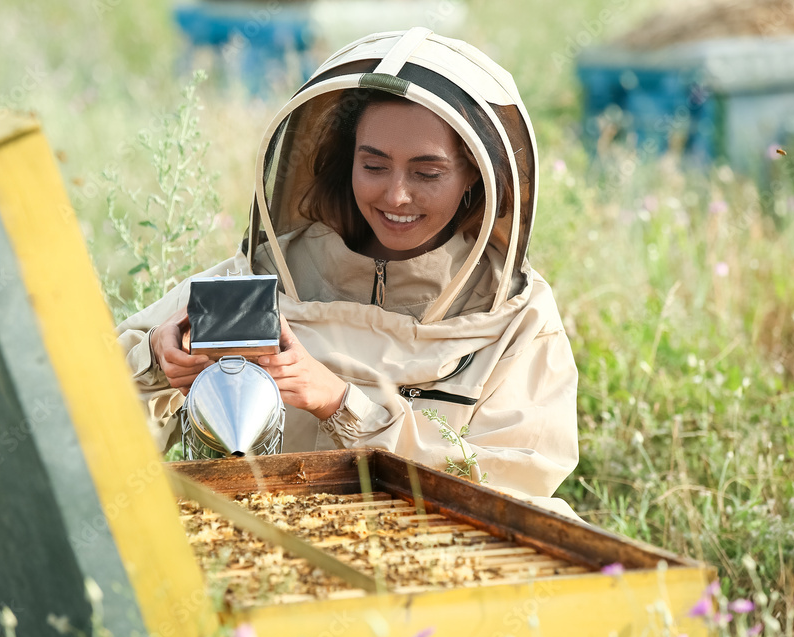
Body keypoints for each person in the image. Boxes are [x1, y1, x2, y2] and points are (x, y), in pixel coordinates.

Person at [117, 28, 580, 518]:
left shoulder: (516, 318)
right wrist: (154, 360)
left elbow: (513, 482)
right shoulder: (260, 279)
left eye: (427, 173)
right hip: (262, 549)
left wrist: (342, 405)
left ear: (474, 176)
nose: (396, 196)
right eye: (374, 165)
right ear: (347, 161)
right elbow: (84, 417)